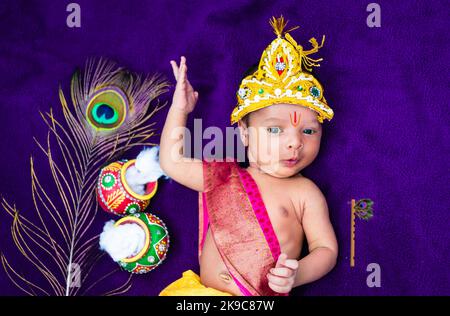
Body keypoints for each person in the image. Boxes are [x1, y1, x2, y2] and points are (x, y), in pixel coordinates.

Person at [158, 16, 338, 296]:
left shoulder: (305, 193)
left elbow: (325, 249)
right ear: (244, 133)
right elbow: (171, 161)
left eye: (309, 131)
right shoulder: (223, 177)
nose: (294, 142)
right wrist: (179, 110)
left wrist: (298, 273)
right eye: (276, 129)